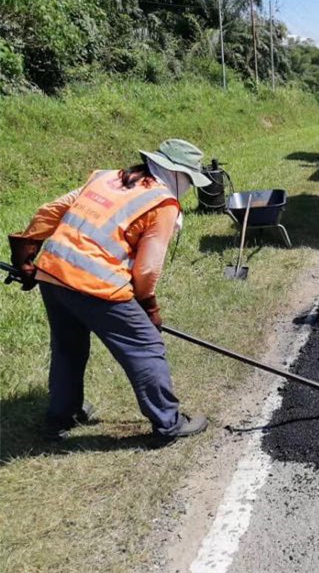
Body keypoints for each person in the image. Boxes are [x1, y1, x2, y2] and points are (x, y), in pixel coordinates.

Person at [8, 139, 212, 441]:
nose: (188, 187)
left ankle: (62, 415)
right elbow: (146, 269)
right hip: (95, 284)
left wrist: (26, 254)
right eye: (189, 180)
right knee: (146, 348)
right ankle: (169, 423)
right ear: (177, 174)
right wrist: (148, 307)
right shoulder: (163, 203)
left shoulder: (105, 177)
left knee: (68, 347)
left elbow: (50, 211)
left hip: (52, 272)